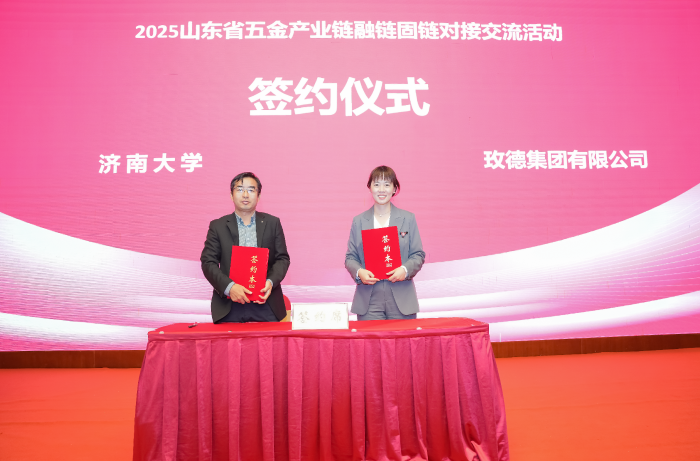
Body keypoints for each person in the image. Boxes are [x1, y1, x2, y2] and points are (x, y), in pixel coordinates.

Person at [201, 172, 290, 323]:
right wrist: (230, 287)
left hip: (265, 303)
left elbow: (282, 259)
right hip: (229, 304)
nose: (245, 195)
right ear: (231, 195)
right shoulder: (217, 226)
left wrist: (270, 282)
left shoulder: (272, 223)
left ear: (258, 196)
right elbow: (208, 262)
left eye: (251, 190)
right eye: (240, 189)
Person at [345, 166, 425, 320]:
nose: (381, 190)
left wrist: (404, 270)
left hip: (401, 297)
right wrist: (359, 272)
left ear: (394, 189)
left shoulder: (408, 219)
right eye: (376, 184)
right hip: (369, 299)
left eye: (387, 185)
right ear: (370, 188)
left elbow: (418, 254)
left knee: (403, 337)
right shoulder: (359, 221)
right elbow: (350, 258)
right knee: (369, 337)